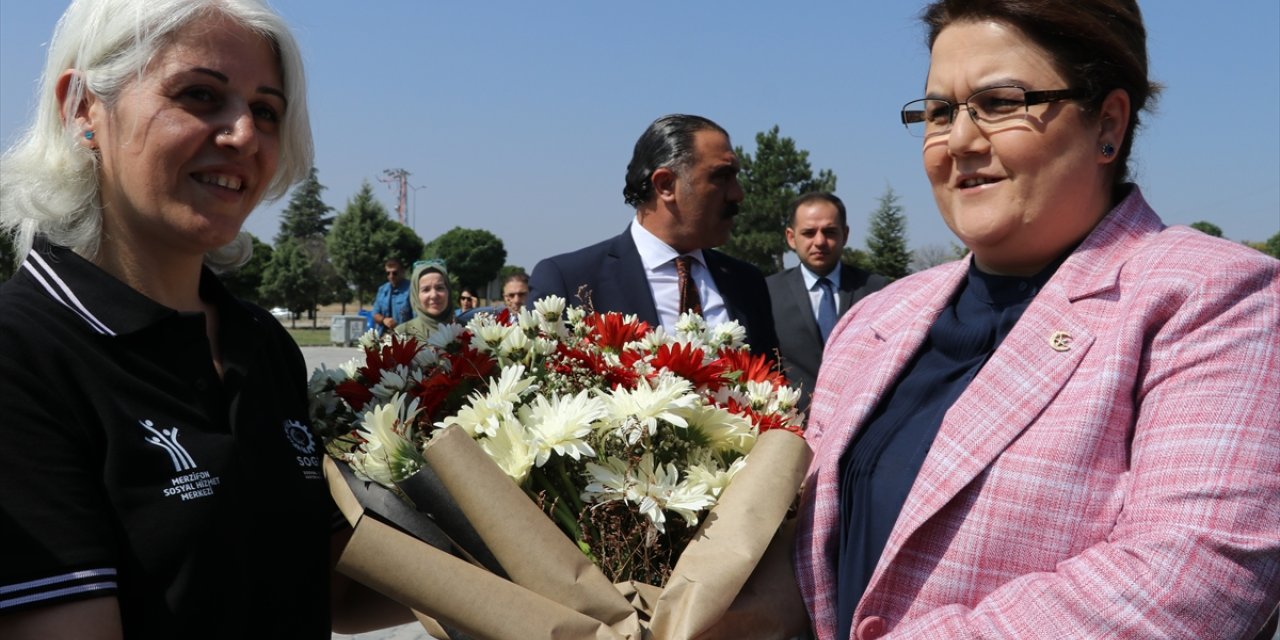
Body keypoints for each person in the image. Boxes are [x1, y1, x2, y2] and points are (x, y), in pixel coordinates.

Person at [792, 1, 1280, 639]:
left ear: (1108, 122)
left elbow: (1195, 576)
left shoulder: (1210, 297)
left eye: (1000, 103)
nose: (961, 142)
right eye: (939, 111)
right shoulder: (876, 319)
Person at [0, 0, 411, 636]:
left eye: (267, 111)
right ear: (83, 106)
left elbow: (332, 588)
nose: (244, 134)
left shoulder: (260, 342)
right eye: (199, 94)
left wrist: (564, 536)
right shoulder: (22, 354)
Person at [528, 114, 779, 357]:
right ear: (666, 185)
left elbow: (772, 384)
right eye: (721, 177)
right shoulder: (571, 282)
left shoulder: (747, 284)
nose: (738, 194)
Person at [766, 193, 886, 412]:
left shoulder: (878, 291)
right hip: (791, 428)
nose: (819, 241)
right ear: (791, 238)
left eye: (829, 232)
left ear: (845, 234)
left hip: (861, 421)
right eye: (809, 233)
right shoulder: (766, 293)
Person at [396, 259, 455, 342]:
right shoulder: (403, 334)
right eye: (426, 290)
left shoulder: (468, 331)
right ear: (416, 295)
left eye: (440, 288)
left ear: (448, 290)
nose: (434, 295)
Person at [371, 257, 413, 334]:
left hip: (405, 337)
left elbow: (417, 319)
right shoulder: (382, 289)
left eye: (395, 273)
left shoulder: (412, 289)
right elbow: (375, 313)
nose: (391, 276)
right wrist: (384, 320)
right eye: (388, 273)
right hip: (383, 337)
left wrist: (399, 326)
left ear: (402, 272)